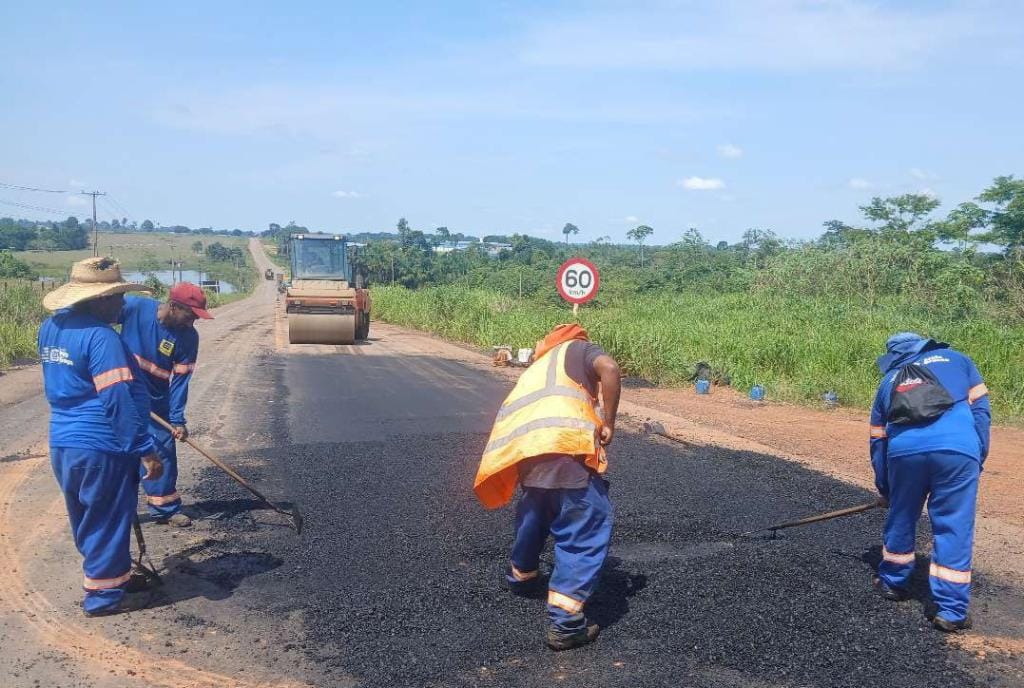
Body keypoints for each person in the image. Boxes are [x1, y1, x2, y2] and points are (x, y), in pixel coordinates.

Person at [474, 323, 621, 651]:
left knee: (536, 513)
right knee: (586, 525)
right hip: (566, 449)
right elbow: (609, 367)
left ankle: (523, 576)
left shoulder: (537, 367)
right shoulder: (578, 349)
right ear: (576, 339)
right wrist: (609, 421)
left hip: (528, 453)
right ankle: (566, 625)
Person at [39, 257, 164, 616]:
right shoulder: (101, 337)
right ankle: (104, 597)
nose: (123, 304)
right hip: (101, 444)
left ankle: (113, 576)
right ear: (97, 300)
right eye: (116, 296)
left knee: (87, 514)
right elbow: (117, 399)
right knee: (108, 517)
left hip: (64, 442)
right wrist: (144, 449)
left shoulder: (51, 327)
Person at [869, 332, 991, 632]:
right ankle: (950, 610)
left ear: (894, 357)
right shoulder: (959, 360)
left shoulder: (888, 381)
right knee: (953, 524)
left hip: (905, 454)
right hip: (957, 452)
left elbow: (878, 440)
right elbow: (981, 414)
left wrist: (886, 488)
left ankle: (893, 583)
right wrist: (977, 456)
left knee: (902, 516)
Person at [119, 282, 212, 527]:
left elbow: (180, 381)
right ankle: (117, 512)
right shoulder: (135, 307)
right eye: (189, 314)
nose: (193, 321)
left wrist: (177, 419)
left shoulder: (188, 338)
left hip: (155, 402)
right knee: (119, 453)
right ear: (173, 306)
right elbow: (99, 321)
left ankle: (165, 508)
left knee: (162, 452)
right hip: (121, 395)